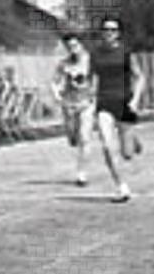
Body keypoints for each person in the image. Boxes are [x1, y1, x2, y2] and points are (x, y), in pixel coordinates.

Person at [88, 13, 144, 200]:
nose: (109, 33)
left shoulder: (126, 52)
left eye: (113, 30)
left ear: (118, 33)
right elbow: (92, 78)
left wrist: (135, 100)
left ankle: (132, 140)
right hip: (104, 104)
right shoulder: (95, 54)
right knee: (107, 145)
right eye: (106, 29)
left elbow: (139, 77)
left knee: (127, 154)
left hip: (125, 103)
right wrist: (90, 97)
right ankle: (121, 187)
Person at [52, 33, 102, 188]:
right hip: (69, 104)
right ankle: (73, 137)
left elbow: (99, 79)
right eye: (69, 47)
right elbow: (54, 81)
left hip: (86, 104)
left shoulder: (91, 62)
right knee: (73, 139)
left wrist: (94, 95)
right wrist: (57, 95)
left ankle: (82, 173)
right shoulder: (64, 64)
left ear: (81, 45)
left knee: (85, 138)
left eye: (75, 45)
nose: (72, 49)